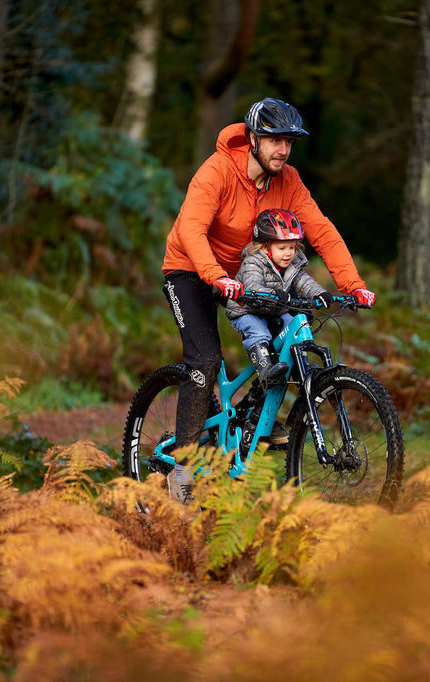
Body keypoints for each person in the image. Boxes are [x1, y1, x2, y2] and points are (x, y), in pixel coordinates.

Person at [161, 97, 377, 505]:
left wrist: (352, 283)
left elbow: (321, 231)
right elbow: (191, 228)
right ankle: (183, 468)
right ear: (255, 137)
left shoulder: (288, 181)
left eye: (289, 142)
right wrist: (215, 277)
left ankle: (254, 419)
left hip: (251, 276)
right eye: (275, 140)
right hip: (191, 269)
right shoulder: (217, 172)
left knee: (290, 334)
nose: (283, 150)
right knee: (204, 361)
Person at [226, 208, 332, 390]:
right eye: (282, 248)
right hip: (246, 309)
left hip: (273, 308)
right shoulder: (253, 262)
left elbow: (303, 281)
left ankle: (301, 367)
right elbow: (252, 287)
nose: (288, 253)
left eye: (292, 247)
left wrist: (319, 294)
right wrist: (274, 294)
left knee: (297, 326)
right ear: (266, 246)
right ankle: (266, 371)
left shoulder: (291, 264)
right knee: (259, 332)